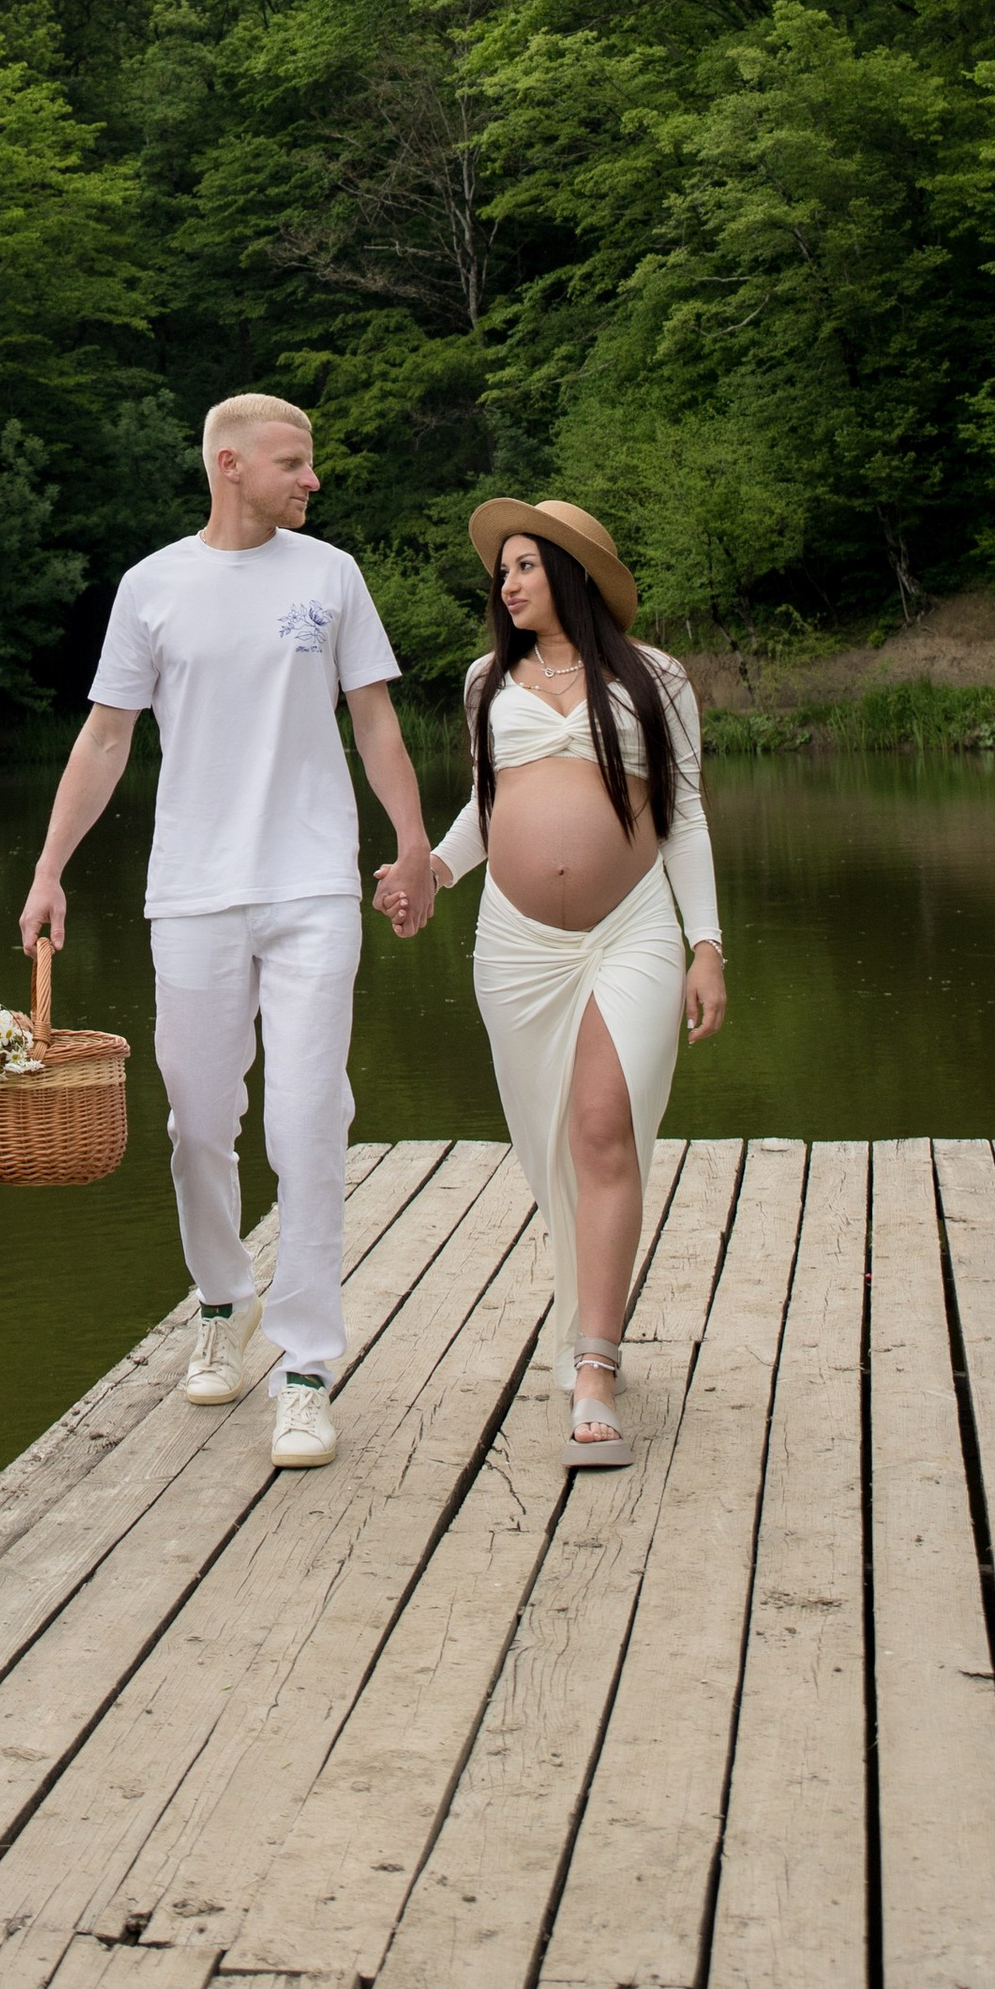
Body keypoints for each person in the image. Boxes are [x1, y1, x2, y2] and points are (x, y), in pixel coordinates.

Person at [20, 394, 437, 1470]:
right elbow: (106, 738)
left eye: (310, 464)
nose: (311, 480)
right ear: (230, 463)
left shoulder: (329, 575)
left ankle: (306, 1365)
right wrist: (50, 867)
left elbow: (375, 719)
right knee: (198, 1122)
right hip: (193, 892)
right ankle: (223, 1302)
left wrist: (412, 846)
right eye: (293, 463)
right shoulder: (152, 587)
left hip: (310, 887)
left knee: (305, 1123)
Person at [387, 497, 725, 1463]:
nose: (510, 583)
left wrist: (707, 945)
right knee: (550, 1146)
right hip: (517, 946)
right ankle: (588, 1307)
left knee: (603, 1129)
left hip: (635, 933)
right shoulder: (484, 681)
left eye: (527, 565)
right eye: (503, 571)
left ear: (573, 571)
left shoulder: (656, 677)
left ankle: (594, 1363)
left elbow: (686, 816)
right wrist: (433, 873)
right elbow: (486, 812)